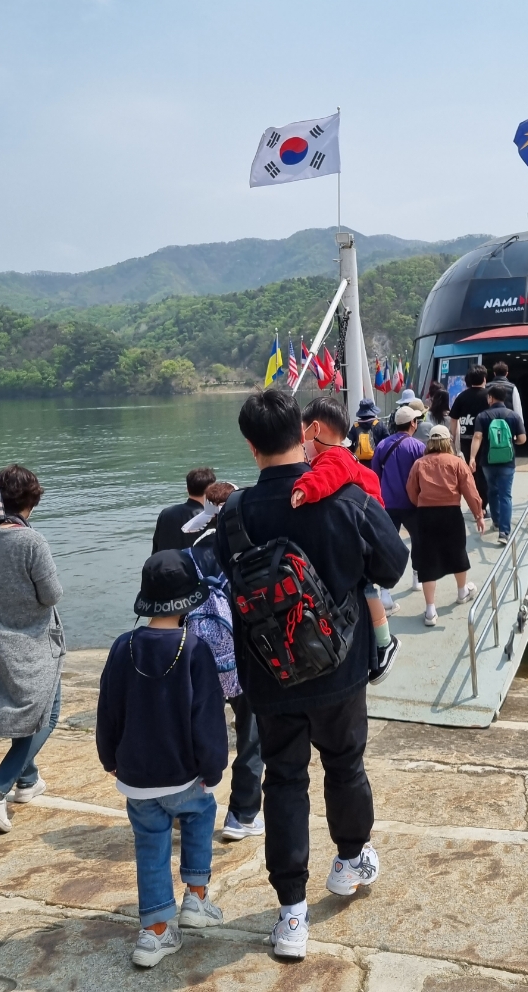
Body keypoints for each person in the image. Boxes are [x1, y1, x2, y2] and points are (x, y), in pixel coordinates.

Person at [214, 387, 408, 961]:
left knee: (284, 779)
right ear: (305, 435)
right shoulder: (346, 497)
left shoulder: (233, 512)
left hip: (269, 675)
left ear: (250, 447)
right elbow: (393, 566)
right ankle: (350, 863)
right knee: (345, 766)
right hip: (339, 666)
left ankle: (291, 914)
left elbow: (230, 581)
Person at [96, 550, 229, 969]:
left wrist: (108, 756)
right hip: (183, 771)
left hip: (136, 776)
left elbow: (109, 708)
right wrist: (213, 767)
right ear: (189, 600)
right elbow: (206, 716)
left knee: (149, 844)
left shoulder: (123, 646)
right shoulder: (194, 649)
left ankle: (154, 934)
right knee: (199, 817)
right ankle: (197, 898)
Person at [0, 465, 65, 834]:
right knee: (46, 715)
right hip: (35, 642)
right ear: (32, 501)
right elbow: (51, 595)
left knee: (27, 712)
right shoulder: (32, 542)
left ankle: (27, 781)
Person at [290, 397, 401, 682]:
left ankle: (385, 642)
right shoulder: (341, 455)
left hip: (364, 535)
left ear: (315, 429)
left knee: (367, 589)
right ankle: (382, 642)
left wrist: (304, 487)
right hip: (368, 527)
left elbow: (326, 477)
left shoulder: (335, 459)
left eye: (302, 431)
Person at [185, 481, 265, 843]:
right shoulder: (249, 544)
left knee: (198, 729)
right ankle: (242, 815)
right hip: (245, 654)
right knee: (250, 733)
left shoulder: (192, 551)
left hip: (201, 656)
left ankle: (187, 803)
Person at [405, 426, 485, 625]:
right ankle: (461, 591)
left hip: (425, 515)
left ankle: (430, 611)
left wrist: (421, 504)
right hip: (451, 513)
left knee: (428, 560)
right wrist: (478, 514)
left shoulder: (419, 464)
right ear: (447, 441)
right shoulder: (457, 463)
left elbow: (411, 490)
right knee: (458, 552)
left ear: (430, 442)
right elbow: (470, 490)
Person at [371, 404, 426, 591]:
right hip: (412, 504)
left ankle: (385, 589)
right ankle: (417, 576)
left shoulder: (382, 445)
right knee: (418, 540)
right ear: (413, 423)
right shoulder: (418, 447)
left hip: (388, 504)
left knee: (387, 544)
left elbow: (375, 475)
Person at [469, 384, 527, 544]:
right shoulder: (514, 416)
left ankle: (495, 521)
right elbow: (522, 439)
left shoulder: (483, 416)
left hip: (487, 462)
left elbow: (477, 437)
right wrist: (512, 440)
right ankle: (504, 533)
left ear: (491, 398)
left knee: (492, 491)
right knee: (506, 495)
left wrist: (472, 458)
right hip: (507, 462)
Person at [449, 365, 491, 512]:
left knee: (470, 473)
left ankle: (475, 503)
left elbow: (453, 419)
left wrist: (453, 439)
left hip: (467, 440)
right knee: (484, 473)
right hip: (486, 440)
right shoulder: (489, 396)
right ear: (484, 379)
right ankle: (483, 505)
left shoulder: (462, 396)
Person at [152, 467, 216, 553]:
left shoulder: (165, 513)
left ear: (187, 489)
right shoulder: (209, 518)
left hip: (164, 564)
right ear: (211, 491)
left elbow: (156, 547)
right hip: (190, 565)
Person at [346, 399, 389, 467]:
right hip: (375, 462)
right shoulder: (380, 425)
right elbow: (387, 443)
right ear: (373, 411)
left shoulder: (355, 426)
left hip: (359, 463)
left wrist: (355, 450)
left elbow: (347, 443)